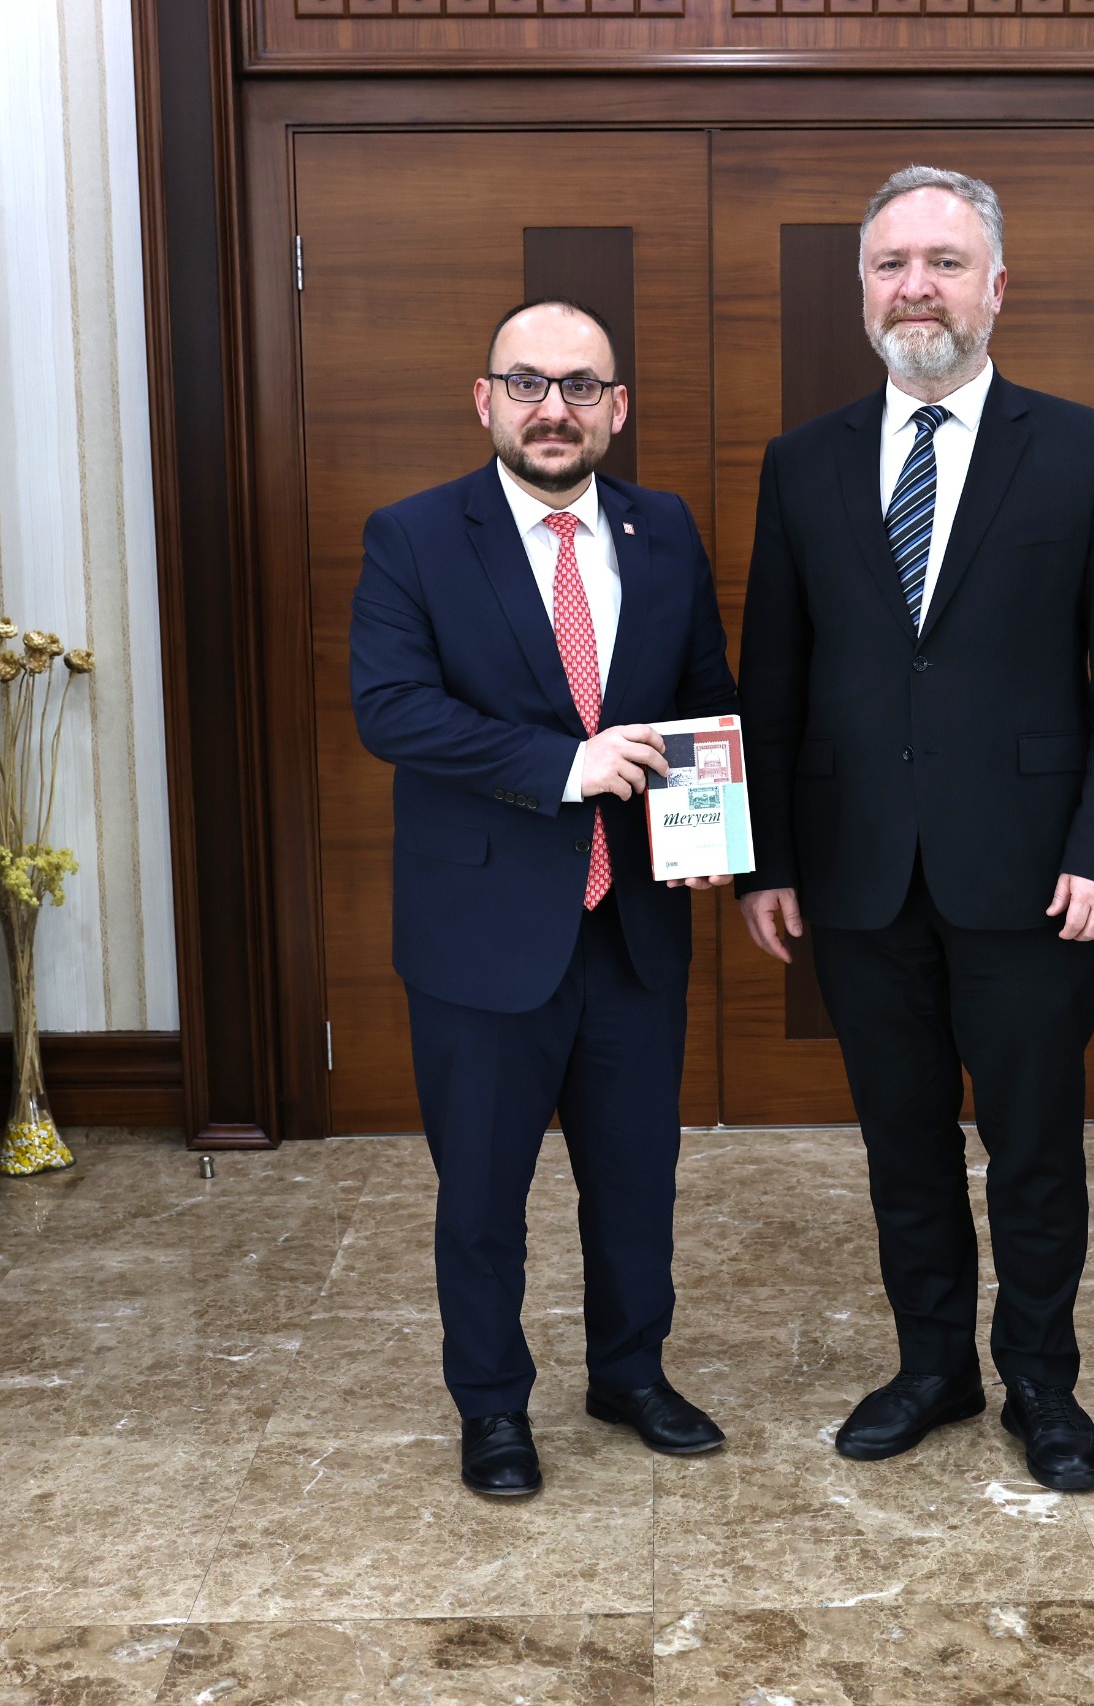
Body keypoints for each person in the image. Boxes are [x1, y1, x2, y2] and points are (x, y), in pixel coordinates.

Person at [734, 166, 1094, 1493]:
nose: (914, 286)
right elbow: (774, 677)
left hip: (1035, 874)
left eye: (943, 261)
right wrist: (768, 859)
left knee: (1034, 1145)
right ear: (862, 290)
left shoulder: (1083, 450)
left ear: (996, 287)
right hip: (858, 875)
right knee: (903, 1142)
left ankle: (1041, 1379)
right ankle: (933, 1365)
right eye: (891, 264)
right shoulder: (802, 462)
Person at [351, 299, 738, 1497]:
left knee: (636, 1179)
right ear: (486, 400)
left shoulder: (664, 529)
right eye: (526, 382)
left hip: (632, 925)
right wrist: (565, 765)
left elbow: (703, 693)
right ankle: (491, 1405)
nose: (552, 408)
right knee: (481, 1191)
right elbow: (392, 709)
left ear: (616, 407)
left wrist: (709, 826)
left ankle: (630, 1372)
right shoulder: (414, 535)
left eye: (579, 386)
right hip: (482, 934)